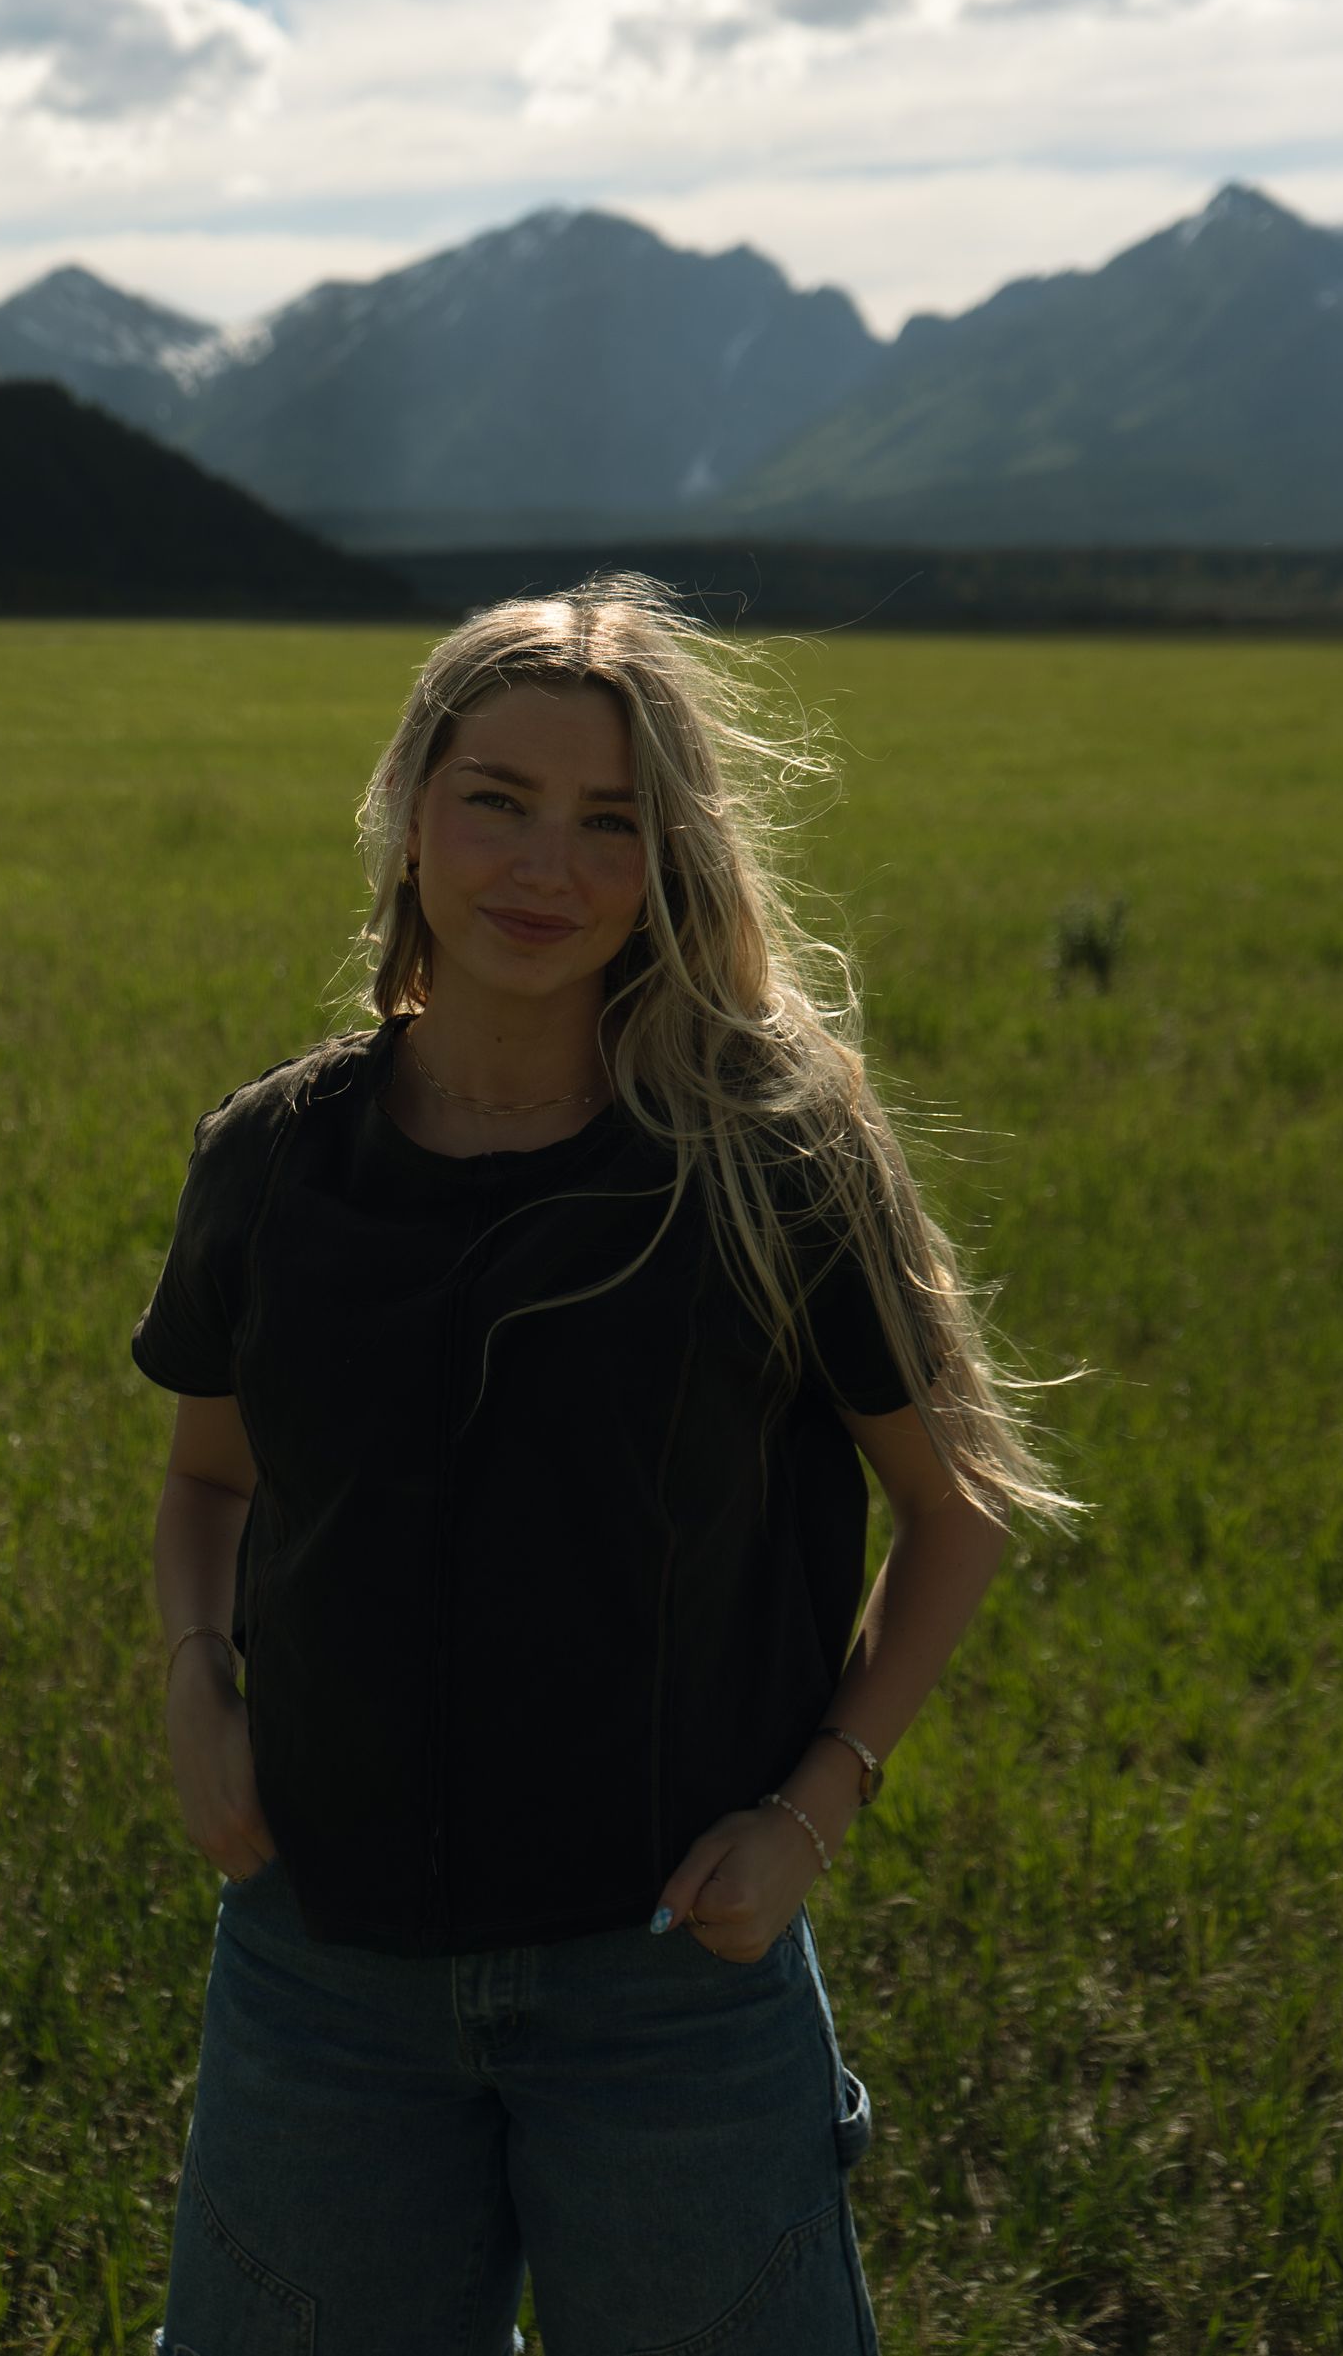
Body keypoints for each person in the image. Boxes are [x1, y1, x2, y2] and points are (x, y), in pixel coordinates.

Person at [134, 571, 1081, 2356]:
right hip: (325, 1971)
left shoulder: (768, 1155)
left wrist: (809, 1815)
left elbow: (955, 1510)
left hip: (671, 1980)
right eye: (495, 799)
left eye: (608, 822)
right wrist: (196, 1684)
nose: (541, 865)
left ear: (672, 865)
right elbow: (207, 1481)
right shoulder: (275, 1159)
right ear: (411, 811)